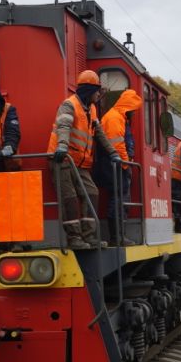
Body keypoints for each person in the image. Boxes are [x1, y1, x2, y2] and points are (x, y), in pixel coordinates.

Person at [47, 70, 119, 249]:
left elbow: (99, 133)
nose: (98, 95)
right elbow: (63, 125)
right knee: (69, 197)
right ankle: (74, 239)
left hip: (79, 162)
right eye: (97, 91)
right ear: (89, 90)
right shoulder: (69, 105)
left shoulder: (92, 109)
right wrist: (62, 145)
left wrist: (112, 152)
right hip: (62, 158)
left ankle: (89, 236)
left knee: (92, 192)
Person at [97, 88, 142, 246]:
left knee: (120, 198)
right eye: (133, 109)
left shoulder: (117, 116)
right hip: (114, 164)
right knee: (118, 198)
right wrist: (126, 165)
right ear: (128, 106)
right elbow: (117, 144)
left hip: (114, 163)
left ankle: (119, 235)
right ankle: (117, 237)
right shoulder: (115, 118)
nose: (134, 113)